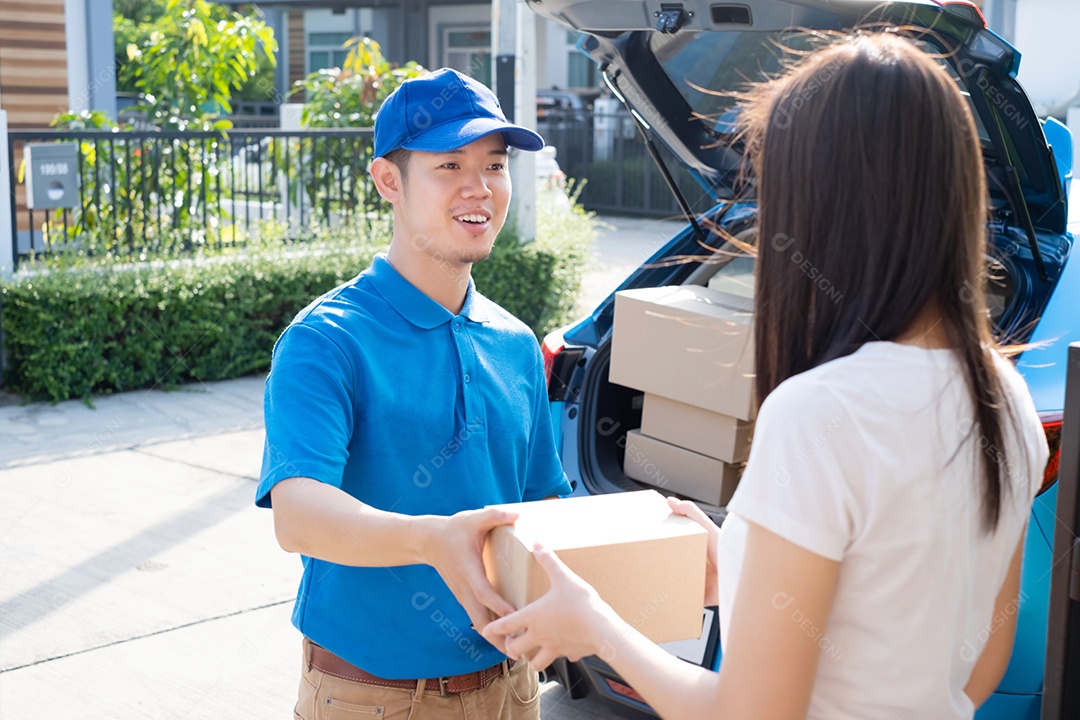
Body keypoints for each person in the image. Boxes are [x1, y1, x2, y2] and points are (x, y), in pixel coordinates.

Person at [482, 31, 1050, 720]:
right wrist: (748, 562)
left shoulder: (823, 414)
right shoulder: (1006, 397)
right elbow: (978, 664)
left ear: (823, 210)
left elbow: (750, 712)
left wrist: (595, 625)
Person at [256, 67, 571, 720]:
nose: (478, 187)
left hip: (511, 689)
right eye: (450, 165)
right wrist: (432, 538)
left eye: (494, 164)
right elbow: (299, 515)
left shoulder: (514, 343)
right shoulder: (327, 341)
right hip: (373, 698)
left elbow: (544, 505)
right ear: (388, 181)